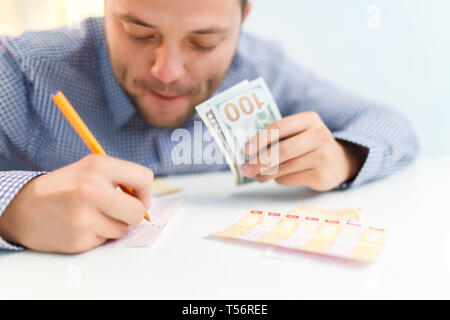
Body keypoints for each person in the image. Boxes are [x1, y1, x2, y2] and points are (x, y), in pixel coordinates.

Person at [0, 0, 418, 254]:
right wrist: (13, 212)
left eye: (204, 43)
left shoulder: (262, 68)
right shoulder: (22, 70)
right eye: (138, 32)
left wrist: (342, 157)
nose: (167, 71)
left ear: (243, 18)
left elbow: (392, 125)